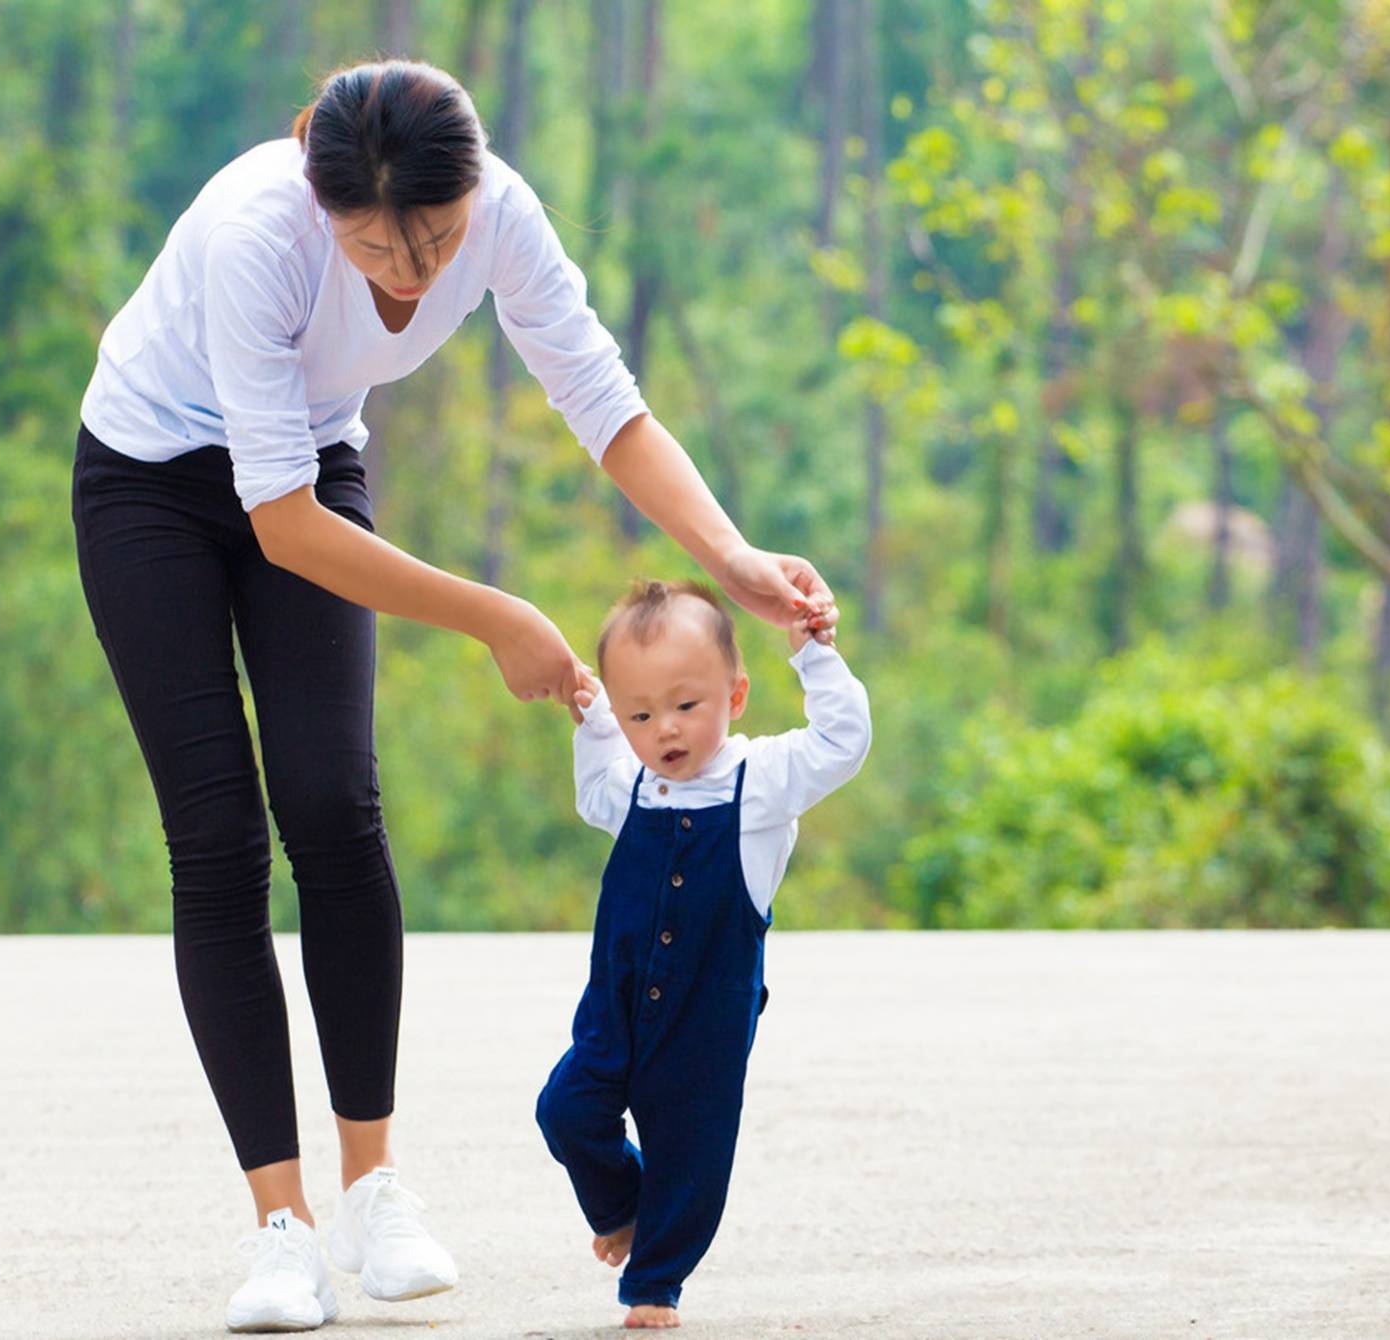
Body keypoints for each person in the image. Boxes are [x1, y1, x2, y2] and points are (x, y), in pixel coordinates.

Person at [70, 59, 841, 1333]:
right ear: (319, 189)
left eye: (430, 238)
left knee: (333, 801)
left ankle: (373, 1186)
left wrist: (733, 561)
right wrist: (499, 616)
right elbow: (278, 526)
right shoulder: (257, 232)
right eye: (372, 243)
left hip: (312, 464)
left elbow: (604, 402)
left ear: (470, 191)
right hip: (151, 483)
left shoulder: (501, 216)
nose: (407, 274)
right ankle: (283, 1225)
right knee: (216, 839)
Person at [537, 579, 871, 1328]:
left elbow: (842, 744)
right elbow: (595, 789)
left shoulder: (762, 784)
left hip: (704, 1018)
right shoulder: (630, 786)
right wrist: (591, 721)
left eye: (687, 706)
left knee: (691, 1154)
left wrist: (816, 659)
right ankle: (622, 1204)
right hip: (614, 1009)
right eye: (641, 715)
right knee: (565, 1109)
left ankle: (655, 1283)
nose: (666, 732)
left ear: (736, 695)